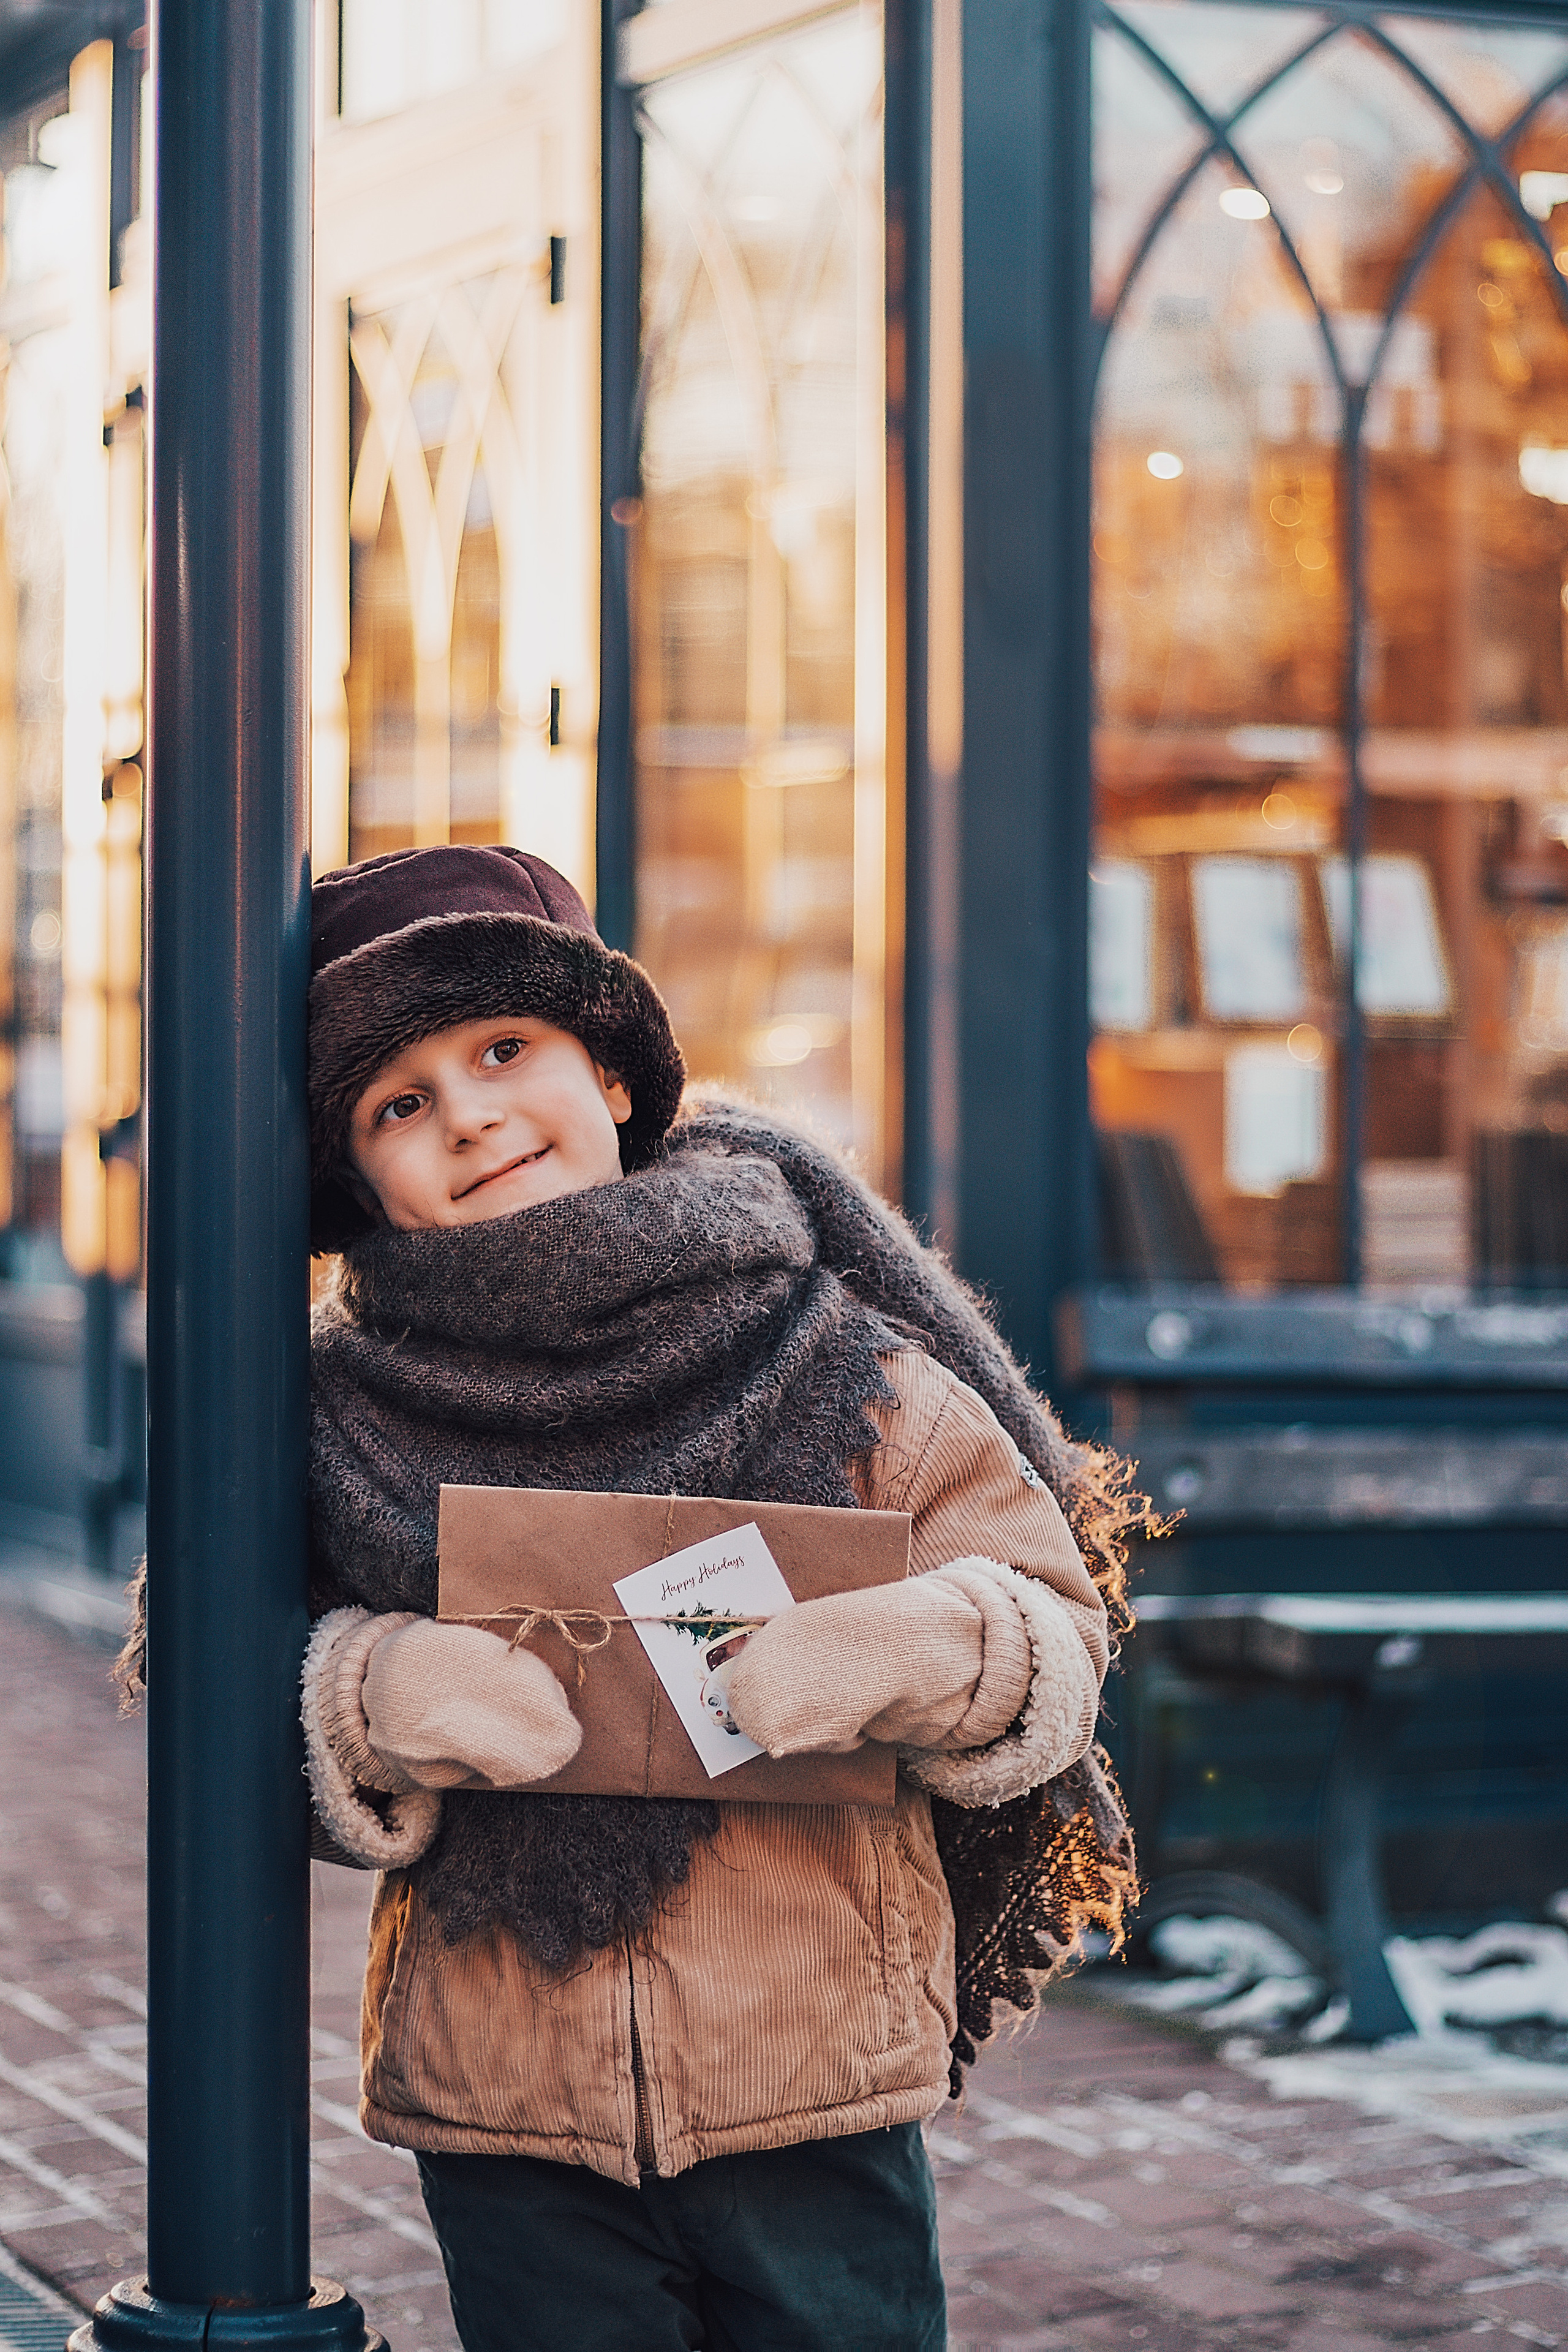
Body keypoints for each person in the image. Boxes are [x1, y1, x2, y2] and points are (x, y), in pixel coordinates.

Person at [299, 843, 1145, 2352]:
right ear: (357, 1174)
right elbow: (214, 1670)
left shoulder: (834, 1352)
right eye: (400, 1103)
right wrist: (368, 1689)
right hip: (506, 2101)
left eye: (505, 1050)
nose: (472, 1113)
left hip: (812, 2070)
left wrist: (912, 1648)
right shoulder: (340, 1411)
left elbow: (1043, 1607)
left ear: (613, 1073)